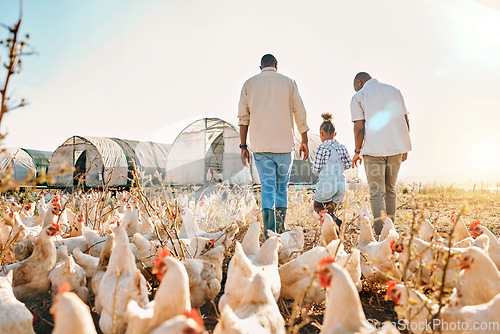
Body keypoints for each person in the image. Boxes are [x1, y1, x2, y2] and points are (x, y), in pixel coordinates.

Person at [238, 54, 309, 238]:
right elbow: (300, 112)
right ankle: (280, 229)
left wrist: (243, 145)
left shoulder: (249, 84)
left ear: (259, 67)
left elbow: (243, 118)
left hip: (261, 147)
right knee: (281, 188)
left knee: (267, 188)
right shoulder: (288, 82)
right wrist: (305, 141)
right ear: (276, 65)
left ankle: (270, 232)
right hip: (284, 146)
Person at [350, 72, 411, 235]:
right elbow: (405, 121)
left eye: (355, 87)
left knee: (377, 192)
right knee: (390, 189)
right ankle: (390, 233)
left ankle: (380, 234)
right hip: (395, 149)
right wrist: (404, 145)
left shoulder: (359, 96)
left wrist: (357, 151)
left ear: (359, 82)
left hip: (373, 151)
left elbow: (358, 127)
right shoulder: (394, 91)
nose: (355, 90)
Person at [311, 113, 352, 228]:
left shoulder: (321, 148)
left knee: (317, 205)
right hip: (341, 186)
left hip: (327, 184)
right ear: (335, 134)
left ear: (321, 134)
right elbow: (349, 164)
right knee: (330, 208)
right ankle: (333, 226)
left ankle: (334, 220)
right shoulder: (342, 147)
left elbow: (316, 168)